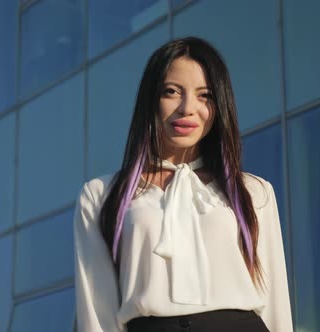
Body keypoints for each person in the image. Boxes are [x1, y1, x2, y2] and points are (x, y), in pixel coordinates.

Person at [74, 36, 293, 332]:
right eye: (172, 92)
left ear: (220, 106)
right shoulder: (101, 195)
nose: (187, 108)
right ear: (151, 100)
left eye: (205, 95)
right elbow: (97, 314)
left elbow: (275, 303)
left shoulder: (254, 192)